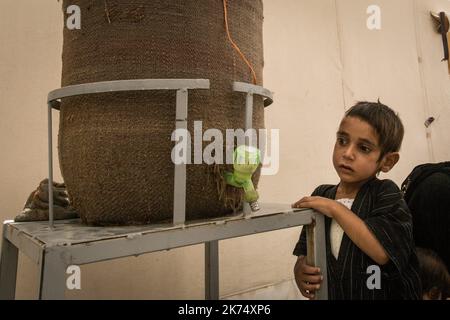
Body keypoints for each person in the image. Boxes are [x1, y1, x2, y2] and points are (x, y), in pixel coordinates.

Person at [292, 101, 421, 300]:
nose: (348, 153)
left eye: (364, 148)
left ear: (387, 161)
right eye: (342, 141)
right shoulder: (323, 195)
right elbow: (305, 249)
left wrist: (335, 209)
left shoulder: (385, 194)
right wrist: (300, 269)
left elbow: (381, 252)